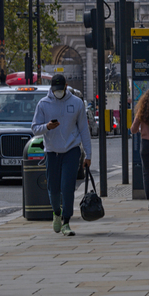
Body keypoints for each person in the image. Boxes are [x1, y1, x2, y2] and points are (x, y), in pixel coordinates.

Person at [31, 74, 92, 236]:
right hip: (51, 151)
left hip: (71, 150)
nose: (58, 92)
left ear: (66, 86)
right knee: (53, 188)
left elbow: (84, 130)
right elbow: (35, 128)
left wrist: (88, 155)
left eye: (60, 89)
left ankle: (66, 221)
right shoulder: (43, 104)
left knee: (67, 187)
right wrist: (47, 127)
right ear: (52, 88)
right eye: (55, 89)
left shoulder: (77, 103)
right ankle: (56, 213)